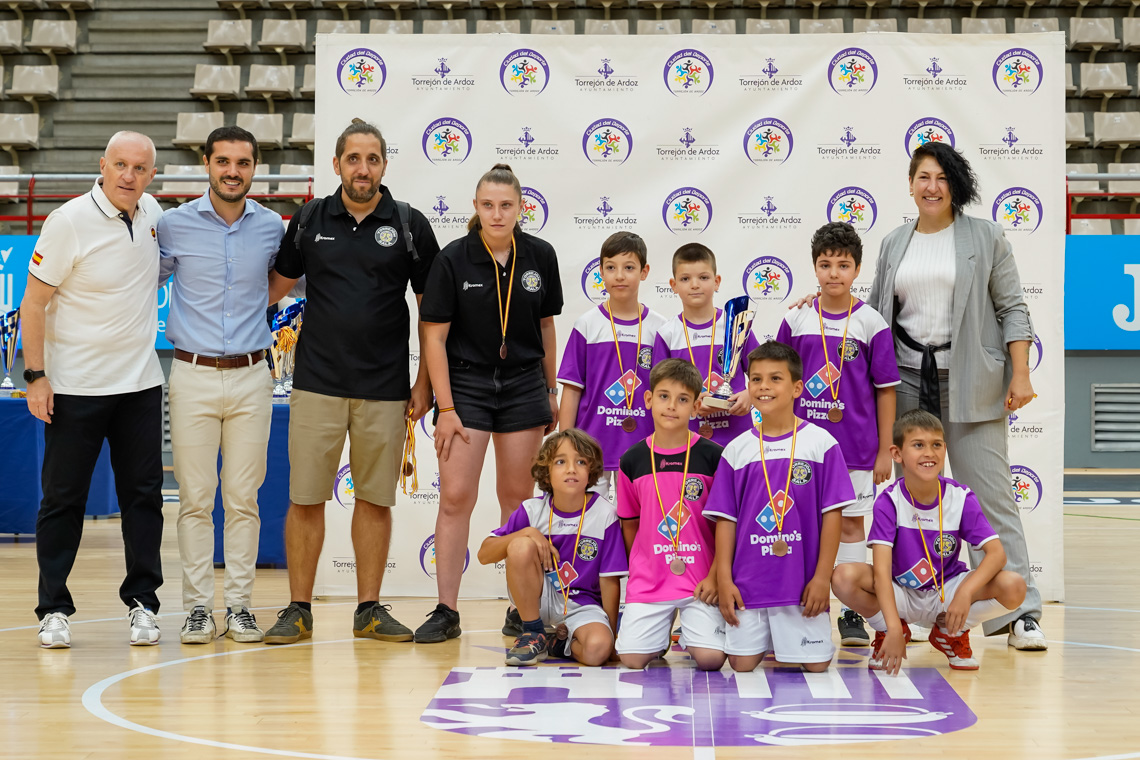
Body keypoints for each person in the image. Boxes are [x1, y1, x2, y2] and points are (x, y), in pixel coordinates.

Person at [263, 119, 440, 645]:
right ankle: (298, 608)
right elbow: (273, 288)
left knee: (374, 500)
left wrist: (424, 384)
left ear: (384, 165)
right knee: (305, 498)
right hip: (316, 381)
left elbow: (431, 316)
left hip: (386, 387)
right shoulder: (309, 217)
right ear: (337, 164)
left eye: (373, 158)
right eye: (353, 158)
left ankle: (368, 609)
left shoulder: (409, 224)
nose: (363, 168)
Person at [868, 141, 1045, 650]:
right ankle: (915, 608)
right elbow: (878, 312)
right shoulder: (894, 242)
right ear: (909, 183)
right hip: (904, 378)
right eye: (923, 176)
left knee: (991, 496)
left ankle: (1021, 614)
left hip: (970, 377)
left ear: (956, 185)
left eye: (942, 178)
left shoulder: (986, 236)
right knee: (910, 501)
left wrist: (1020, 374)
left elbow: (1013, 309)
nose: (932, 186)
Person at [25, 131, 166, 648]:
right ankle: (53, 609)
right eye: (120, 165)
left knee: (144, 499)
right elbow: (33, 304)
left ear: (153, 175)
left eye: (140, 168)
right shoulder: (67, 222)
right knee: (62, 500)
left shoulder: (152, 213)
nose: (129, 176)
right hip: (76, 389)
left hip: (141, 386)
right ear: (102, 166)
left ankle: (143, 603)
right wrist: (36, 376)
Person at [419, 163, 563, 643]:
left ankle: (521, 607)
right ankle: (446, 609)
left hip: (524, 384)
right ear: (475, 207)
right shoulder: (453, 259)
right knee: (456, 496)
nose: (497, 214)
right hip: (466, 387)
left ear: (521, 208)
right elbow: (433, 338)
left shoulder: (540, 255)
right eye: (487, 205)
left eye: (506, 205)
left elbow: (545, 327)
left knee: (517, 500)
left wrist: (550, 389)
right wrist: (446, 407)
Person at [158, 126, 283, 644]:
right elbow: (141, 281)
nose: (233, 171)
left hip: (254, 375)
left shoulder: (273, 227)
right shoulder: (172, 225)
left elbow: (281, 284)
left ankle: (239, 606)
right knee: (193, 497)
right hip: (191, 375)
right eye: (223, 161)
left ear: (255, 168)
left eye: (244, 162)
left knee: (242, 499)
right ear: (206, 163)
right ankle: (195, 608)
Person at [775, 223, 899, 648]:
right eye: (825, 264)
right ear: (814, 267)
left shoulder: (871, 323)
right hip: (803, 447)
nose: (833, 273)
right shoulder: (796, 318)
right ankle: (794, 603)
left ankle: (849, 611)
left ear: (857, 268)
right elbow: (777, 380)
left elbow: (885, 390)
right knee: (796, 521)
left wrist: (885, 449)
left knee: (849, 525)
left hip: (856, 451)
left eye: (842, 265)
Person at [832, 409, 1028, 672]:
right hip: (900, 590)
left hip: (948, 591)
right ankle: (892, 632)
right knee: (843, 576)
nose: (929, 453)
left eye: (936, 445)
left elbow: (997, 555)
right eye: (918, 445)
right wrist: (891, 626)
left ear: (945, 449)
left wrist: (966, 593)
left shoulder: (960, 497)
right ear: (897, 454)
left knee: (1014, 585)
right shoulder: (889, 501)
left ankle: (951, 631)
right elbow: (880, 571)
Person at [706, 342, 854, 673]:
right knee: (741, 665)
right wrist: (724, 579)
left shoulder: (821, 444)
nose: (764, 387)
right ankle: (771, 637)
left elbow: (833, 516)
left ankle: (784, 635)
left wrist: (821, 577)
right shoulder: (736, 450)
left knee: (817, 666)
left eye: (775, 378)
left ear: (797, 388)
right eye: (756, 379)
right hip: (748, 584)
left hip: (799, 585)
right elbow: (726, 521)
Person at [477, 430, 626, 666]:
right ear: (546, 471)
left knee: (598, 650)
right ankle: (533, 631)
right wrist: (528, 532)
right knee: (520, 545)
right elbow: (484, 554)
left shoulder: (604, 514)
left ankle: (556, 644)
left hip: (582, 604)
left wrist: (612, 635)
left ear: (592, 471)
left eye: (580, 461)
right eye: (560, 461)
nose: (571, 469)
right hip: (537, 598)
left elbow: (609, 580)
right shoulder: (532, 510)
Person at [614, 358, 725, 671]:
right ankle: (657, 637)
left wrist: (715, 575)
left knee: (711, 659)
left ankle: (693, 631)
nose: (671, 406)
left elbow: (724, 526)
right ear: (648, 399)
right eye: (663, 396)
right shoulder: (631, 460)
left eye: (683, 399)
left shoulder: (713, 457)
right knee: (632, 660)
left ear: (696, 406)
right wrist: (643, 567)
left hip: (701, 582)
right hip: (651, 582)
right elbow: (630, 526)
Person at [557, 232, 667, 490]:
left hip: (644, 449)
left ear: (644, 271)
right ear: (601, 272)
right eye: (611, 267)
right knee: (589, 524)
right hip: (591, 448)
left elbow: (665, 393)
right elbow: (572, 389)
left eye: (629, 267)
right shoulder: (587, 325)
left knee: (639, 523)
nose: (619, 275)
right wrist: (565, 442)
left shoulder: (660, 329)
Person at [652, 243, 757, 447]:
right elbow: (661, 389)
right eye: (685, 279)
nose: (694, 285)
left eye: (703, 277)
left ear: (716, 282)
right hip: (688, 438)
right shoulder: (667, 334)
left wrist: (750, 394)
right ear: (673, 285)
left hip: (738, 436)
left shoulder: (735, 326)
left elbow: (763, 374)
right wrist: (690, 401)